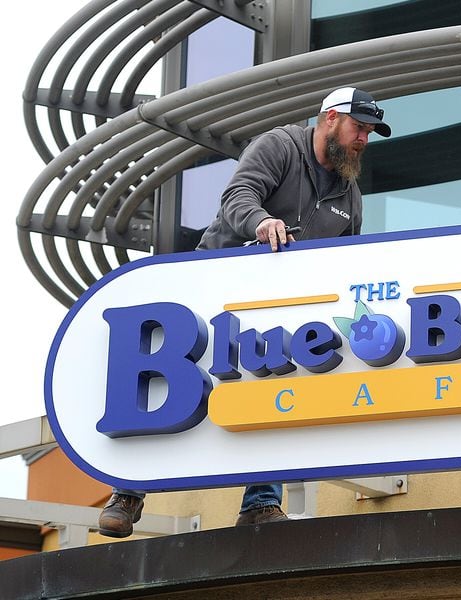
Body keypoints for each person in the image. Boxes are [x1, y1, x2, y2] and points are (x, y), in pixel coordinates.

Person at [97, 87, 392, 538]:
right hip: (213, 287)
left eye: (370, 132)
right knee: (168, 382)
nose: (364, 140)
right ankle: (127, 491)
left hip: (275, 310)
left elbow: (345, 264)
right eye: (359, 127)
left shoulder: (349, 197)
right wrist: (261, 222)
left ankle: (260, 503)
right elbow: (238, 195)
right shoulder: (280, 146)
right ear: (330, 118)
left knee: (278, 387)